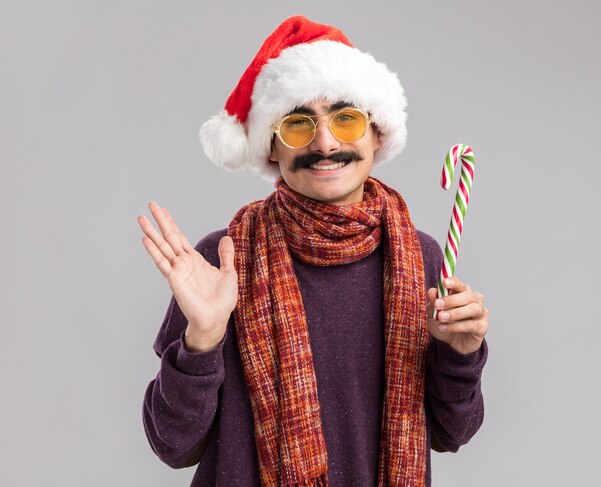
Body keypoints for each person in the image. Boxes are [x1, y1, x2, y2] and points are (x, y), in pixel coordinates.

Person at [138, 15, 489, 487]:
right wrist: (202, 338)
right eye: (298, 125)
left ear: (376, 134)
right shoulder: (220, 260)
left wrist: (461, 355)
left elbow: (453, 432)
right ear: (271, 149)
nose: (325, 144)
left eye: (346, 119)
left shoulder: (424, 259)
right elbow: (173, 446)